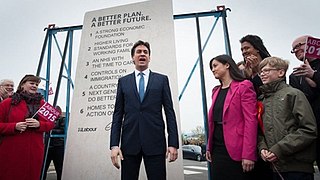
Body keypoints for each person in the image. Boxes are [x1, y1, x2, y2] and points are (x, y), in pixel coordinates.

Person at [109, 40, 179, 180]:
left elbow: (169, 112)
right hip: (129, 145)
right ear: (133, 57)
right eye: (138, 52)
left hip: (155, 144)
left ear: (149, 57)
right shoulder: (123, 82)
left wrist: (173, 143)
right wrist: (114, 145)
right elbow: (117, 115)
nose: (142, 54)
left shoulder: (161, 80)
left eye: (145, 52)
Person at [258, 56, 317, 180]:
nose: (262, 74)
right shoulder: (261, 100)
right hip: (274, 167)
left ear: (281, 72)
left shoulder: (294, 94)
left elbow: (309, 129)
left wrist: (279, 149)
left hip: (297, 167)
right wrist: (262, 147)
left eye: (266, 70)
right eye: (261, 72)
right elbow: (260, 131)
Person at [205, 54, 258, 179]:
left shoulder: (244, 86)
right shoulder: (215, 91)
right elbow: (212, 122)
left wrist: (248, 154)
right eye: (211, 67)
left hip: (237, 149)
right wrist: (209, 146)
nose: (213, 70)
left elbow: (251, 121)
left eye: (215, 66)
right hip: (217, 150)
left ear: (227, 65)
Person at [0, 74, 55, 180]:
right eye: (31, 83)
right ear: (22, 85)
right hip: (12, 152)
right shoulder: (7, 103)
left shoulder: (43, 104)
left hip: (35, 152)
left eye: (36, 84)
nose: (34, 86)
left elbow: (51, 124)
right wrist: (14, 126)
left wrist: (40, 125)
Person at [239, 34, 273, 180]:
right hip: (252, 121)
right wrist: (247, 76)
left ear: (257, 48)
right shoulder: (245, 69)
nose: (244, 51)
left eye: (247, 48)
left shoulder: (270, 65)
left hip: (269, 119)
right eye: (242, 49)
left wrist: (256, 72)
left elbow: (269, 89)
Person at [289, 35, 320, 170]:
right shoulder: (295, 76)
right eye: (293, 49)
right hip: (314, 131)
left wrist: (314, 75)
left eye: (299, 45)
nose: (296, 50)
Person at [43, 106, 65, 180]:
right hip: (49, 145)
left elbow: (63, 130)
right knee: (43, 168)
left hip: (58, 146)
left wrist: (50, 129)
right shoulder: (48, 120)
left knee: (59, 169)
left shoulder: (62, 119)